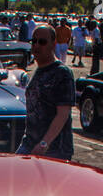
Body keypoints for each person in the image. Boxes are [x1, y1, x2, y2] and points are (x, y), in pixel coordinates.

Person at [16, 24, 76, 159]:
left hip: (54, 150)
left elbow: (63, 114)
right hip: (29, 144)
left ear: (53, 44)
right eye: (34, 41)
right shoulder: (37, 71)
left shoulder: (62, 73)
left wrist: (44, 143)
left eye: (42, 42)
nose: (37, 45)